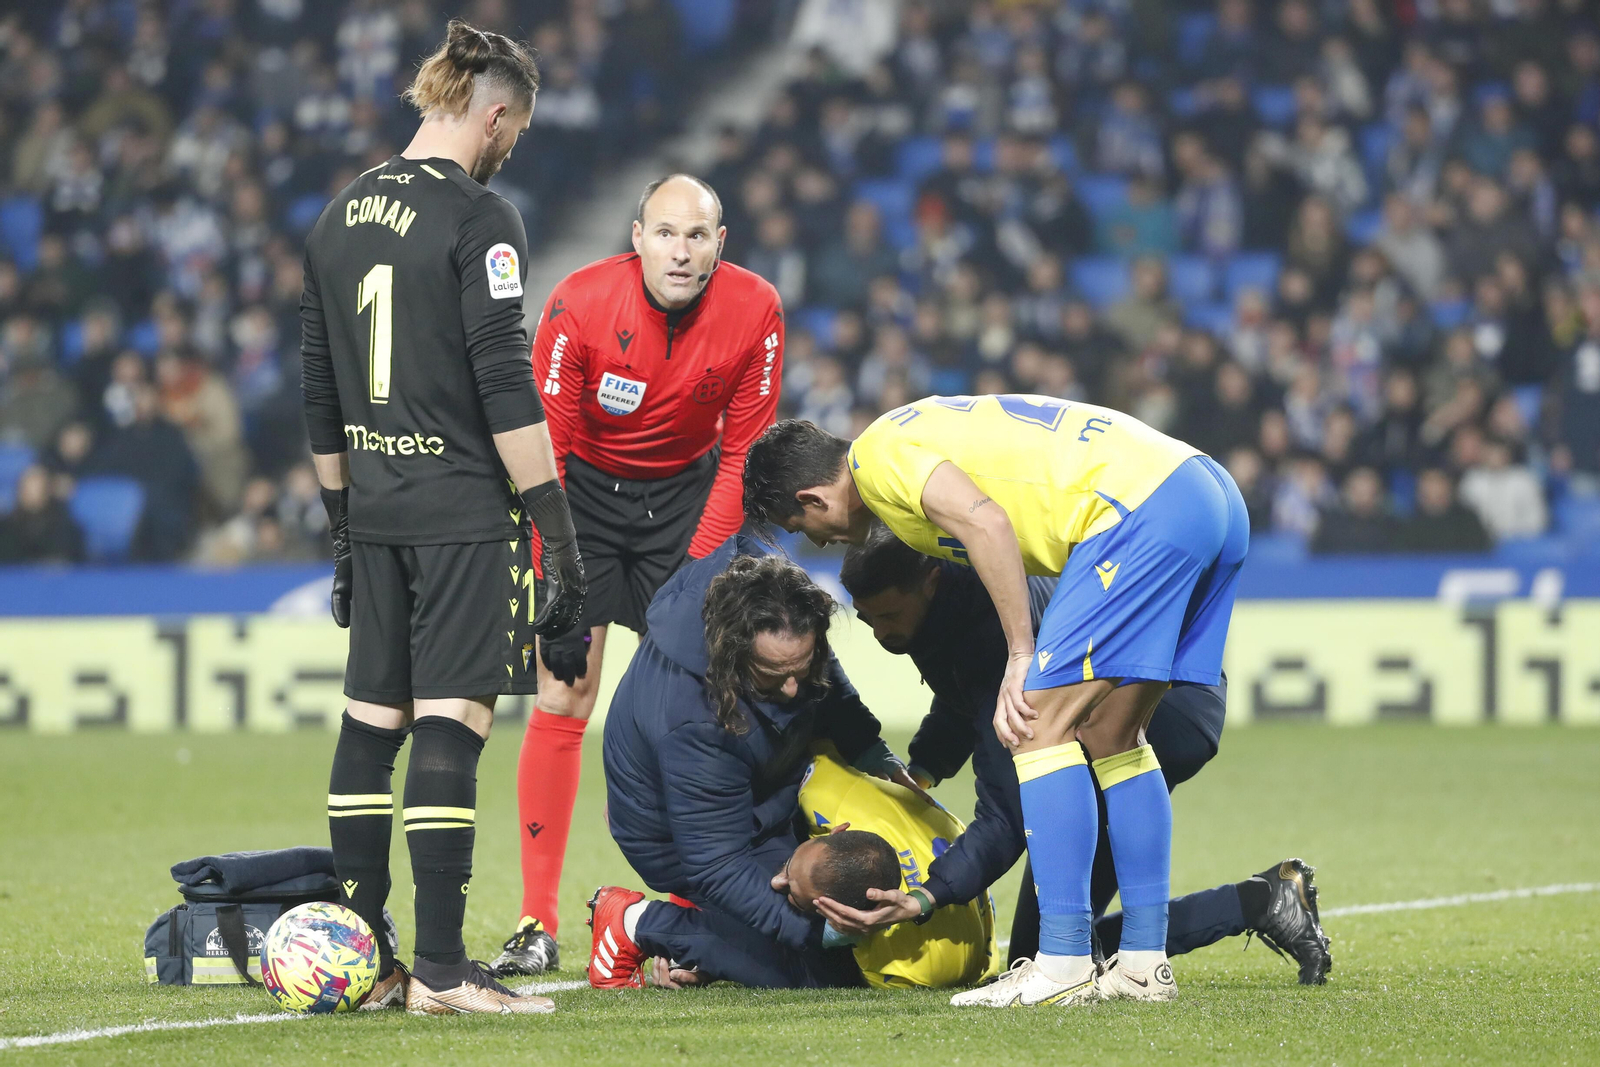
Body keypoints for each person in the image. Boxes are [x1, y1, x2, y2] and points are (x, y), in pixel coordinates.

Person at [743, 394, 1250, 1008]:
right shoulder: (909, 438)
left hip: (1140, 507)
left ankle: (1061, 962)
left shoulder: (877, 460)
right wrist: (929, 762)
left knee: (1036, 727)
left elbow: (988, 522)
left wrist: (1020, 654)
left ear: (813, 499)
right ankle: (1143, 962)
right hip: (1206, 491)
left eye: (802, 529)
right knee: (1116, 738)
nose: (819, 543)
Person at [299, 21, 584, 1016]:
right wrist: (557, 531)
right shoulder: (480, 216)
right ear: (495, 115)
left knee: (369, 723)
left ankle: (364, 956)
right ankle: (443, 968)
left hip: (375, 509)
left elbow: (320, 390)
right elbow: (505, 383)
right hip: (463, 510)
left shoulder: (337, 215)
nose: (510, 149)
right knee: (451, 724)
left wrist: (342, 526)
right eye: (516, 131)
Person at [492, 172, 785, 979]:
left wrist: (695, 576)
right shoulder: (580, 303)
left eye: (696, 236)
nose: (680, 251)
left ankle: (707, 909)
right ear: (637, 238)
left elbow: (745, 452)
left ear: (719, 244)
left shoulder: (757, 308)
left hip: (688, 505)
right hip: (578, 502)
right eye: (665, 233)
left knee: (707, 704)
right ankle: (536, 921)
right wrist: (555, 580)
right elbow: (545, 449)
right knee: (564, 691)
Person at [827, 528, 1331, 984]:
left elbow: (1008, 814)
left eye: (889, 616)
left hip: (1166, 703)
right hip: (1151, 687)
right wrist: (923, 769)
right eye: (868, 619)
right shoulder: (953, 599)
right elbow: (970, 698)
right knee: (1045, 949)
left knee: (1050, 951)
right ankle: (1263, 901)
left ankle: (1261, 902)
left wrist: (925, 897)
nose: (881, 633)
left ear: (930, 582)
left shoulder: (989, 629)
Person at [586, 540, 923, 990]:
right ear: (732, 653)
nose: (792, 689)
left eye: (800, 668)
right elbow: (716, 864)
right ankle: (635, 921)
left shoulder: (772, 597)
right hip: (676, 835)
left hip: (757, 794)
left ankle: (715, 941)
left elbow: (818, 667)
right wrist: (814, 936)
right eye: (773, 675)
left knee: (835, 940)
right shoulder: (695, 719)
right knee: (818, 971)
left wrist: (866, 746)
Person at [641, 744, 1000, 991]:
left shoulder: (904, 971)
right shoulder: (827, 793)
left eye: (794, 894)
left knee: (807, 972)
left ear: (845, 918)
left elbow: (801, 953)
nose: (777, 881)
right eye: (789, 867)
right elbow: (811, 743)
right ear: (836, 830)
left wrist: (715, 956)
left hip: (948, 957)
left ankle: (640, 920)